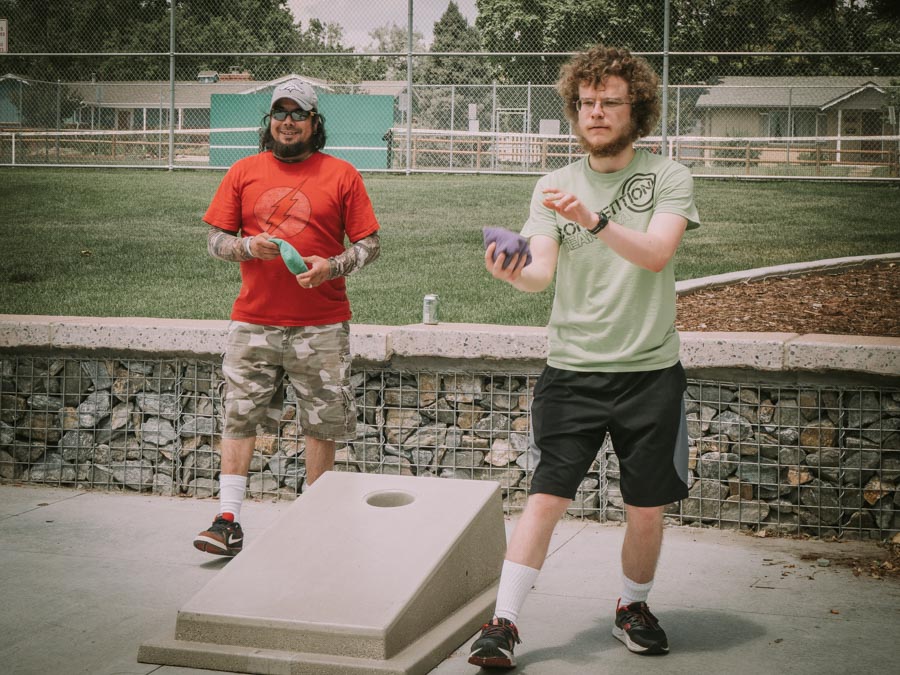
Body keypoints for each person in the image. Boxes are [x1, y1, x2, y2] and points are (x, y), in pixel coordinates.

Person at [469, 44, 700, 668]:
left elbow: (655, 254)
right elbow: (540, 274)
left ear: (637, 109)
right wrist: (509, 272)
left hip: (650, 374)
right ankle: (503, 623)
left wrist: (595, 222)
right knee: (545, 498)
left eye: (610, 102)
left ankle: (633, 608)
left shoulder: (669, 176)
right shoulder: (553, 185)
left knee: (645, 510)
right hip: (571, 371)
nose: (595, 113)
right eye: (586, 102)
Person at [193, 79, 381, 557]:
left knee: (323, 423)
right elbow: (215, 240)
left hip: (322, 324)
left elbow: (369, 245)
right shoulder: (244, 171)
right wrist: (245, 246)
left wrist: (331, 267)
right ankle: (227, 520)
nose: (288, 122)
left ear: (314, 122)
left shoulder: (342, 174)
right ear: (270, 120)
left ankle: (315, 524)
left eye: (299, 114)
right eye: (280, 112)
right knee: (239, 415)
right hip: (253, 320)